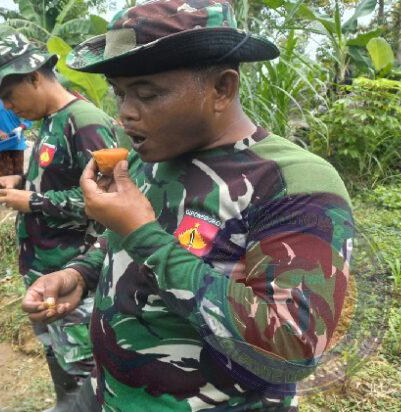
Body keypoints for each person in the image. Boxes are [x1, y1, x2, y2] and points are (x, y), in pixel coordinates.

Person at [21, 1, 355, 410]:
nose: (124, 113)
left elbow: (292, 345)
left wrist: (145, 235)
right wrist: (81, 273)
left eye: (147, 93)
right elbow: (121, 243)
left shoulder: (292, 183)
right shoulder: (150, 160)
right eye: (120, 92)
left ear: (222, 88)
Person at [0, 33, 119, 411]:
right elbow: (62, 181)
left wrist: (33, 201)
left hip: (76, 275)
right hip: (45, 271)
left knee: (86, 374)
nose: (8, 106)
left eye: (9, 96)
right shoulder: (51, 121)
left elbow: (110, 200)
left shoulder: (85, 122)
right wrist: (19, 184)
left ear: (35, 77)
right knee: (61, 364)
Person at [0, 97, 33, 176]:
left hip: (17, 143)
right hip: (0, 144)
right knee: (3, 175)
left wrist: (20, 128)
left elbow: (29, 118)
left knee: (18, 174)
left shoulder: (18, 99)